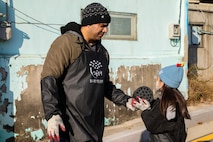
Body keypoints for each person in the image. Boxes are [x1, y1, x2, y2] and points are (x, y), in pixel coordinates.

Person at [40, 3, 136, 142]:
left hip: (94, 128)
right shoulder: (67, 43)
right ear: (88, 24)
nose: (106, 30)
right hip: (70, 127)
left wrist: (127, 101)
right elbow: (49, 79)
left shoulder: (102, 53)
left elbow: (105, 86)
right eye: (102, 25)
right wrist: (52, 113)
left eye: (107, 26)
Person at [135, 63, 191, 142]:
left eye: (158, 79)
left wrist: (145, 111)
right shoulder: (176, 99)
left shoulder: (166, 103)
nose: (156, 81)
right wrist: (150, 107)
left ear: (163, 83)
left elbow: (152, 125)